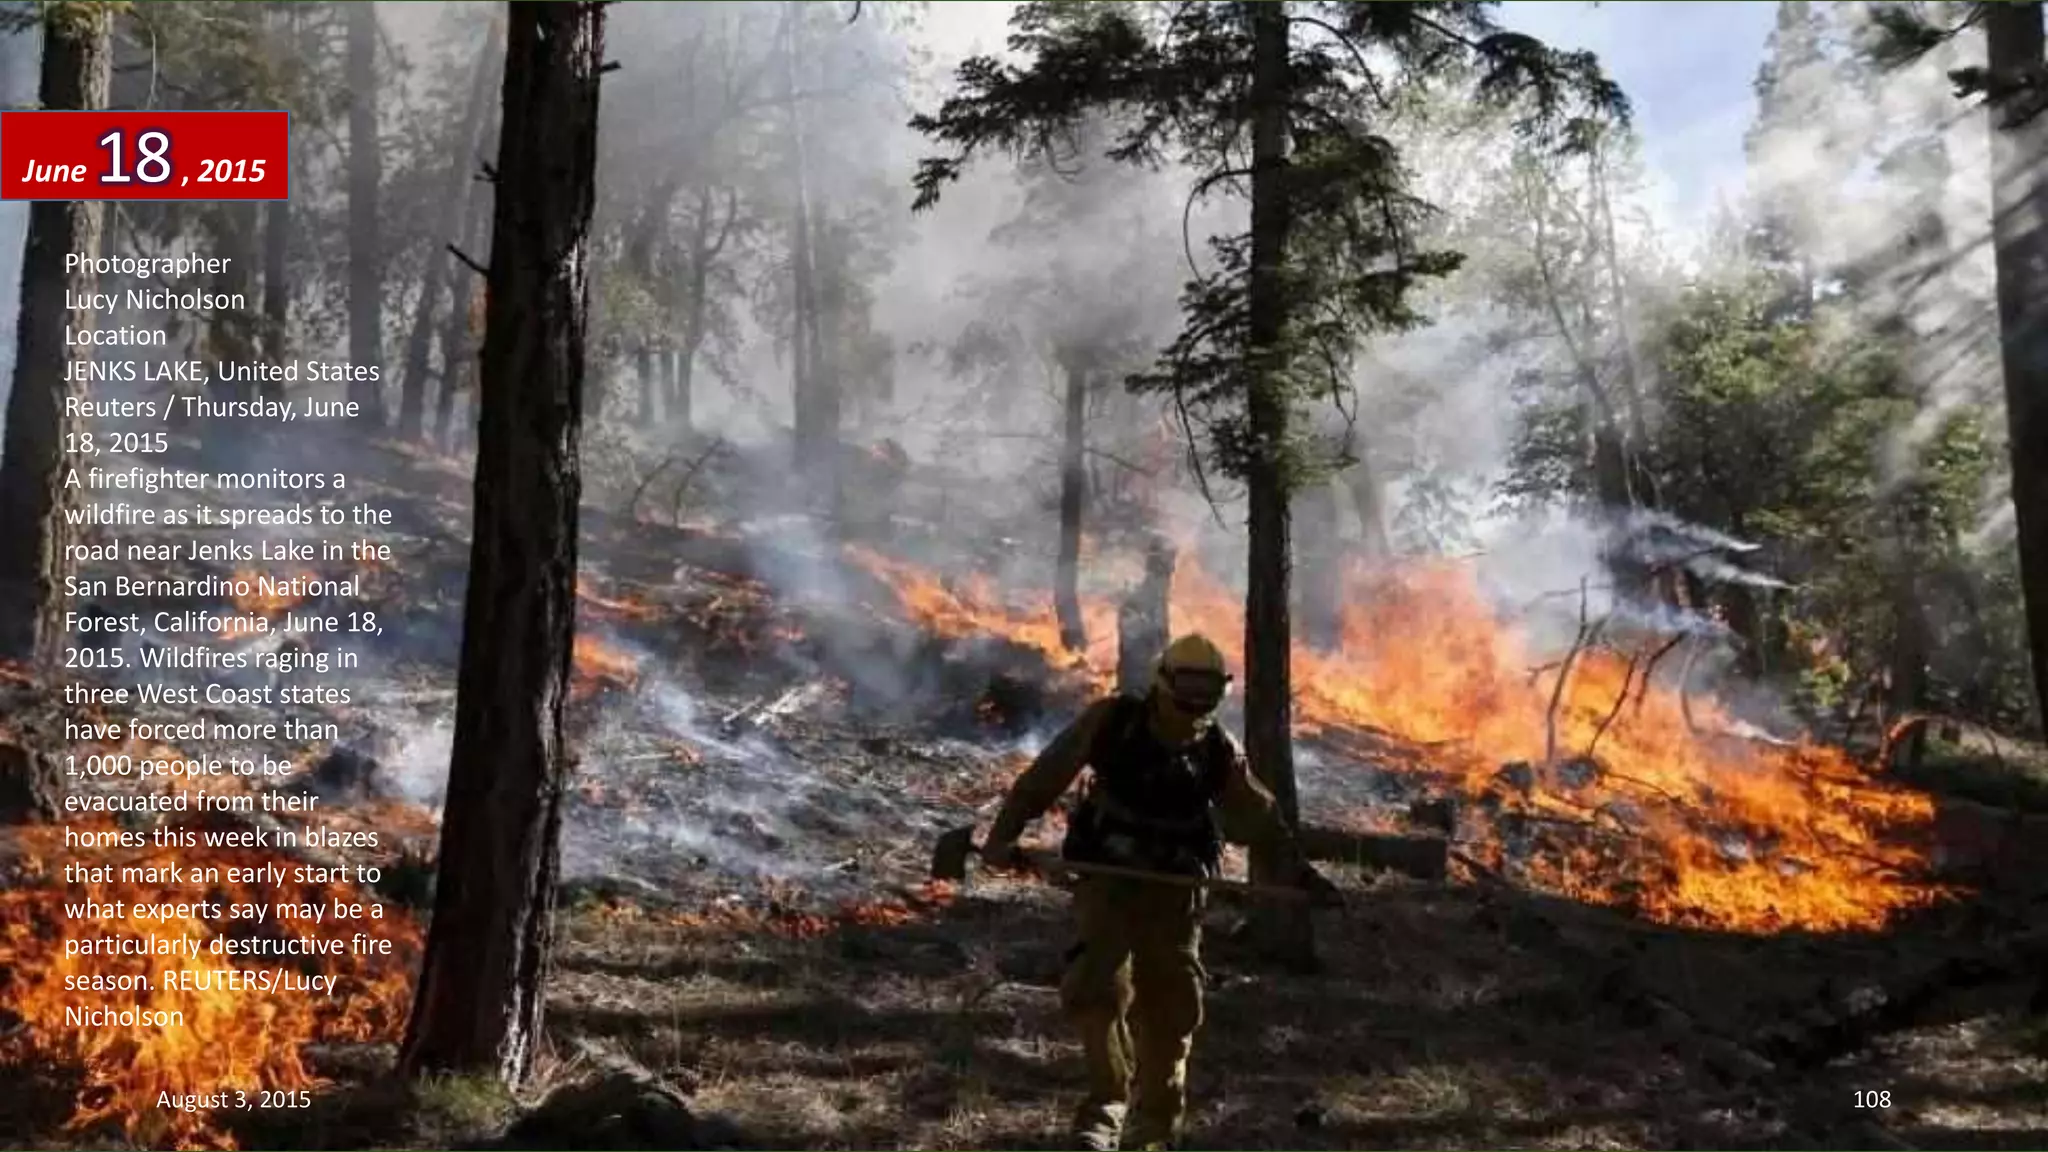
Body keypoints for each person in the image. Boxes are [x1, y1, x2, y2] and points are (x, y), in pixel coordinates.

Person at [982, 633, 1338, 1151]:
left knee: (1171, 1008)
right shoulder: (1112, 723)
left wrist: (1302, 877)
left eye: (1208, 690)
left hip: (1176, 892)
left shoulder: (1219, 752)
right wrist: (1003, 835)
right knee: (1091, 990)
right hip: (1106, 878)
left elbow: (1263, 823)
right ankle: (1104, 1110)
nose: (1196, 701)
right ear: (1164, 682)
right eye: (1188, 687)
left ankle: (1153, 1130)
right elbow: (1044, 777)